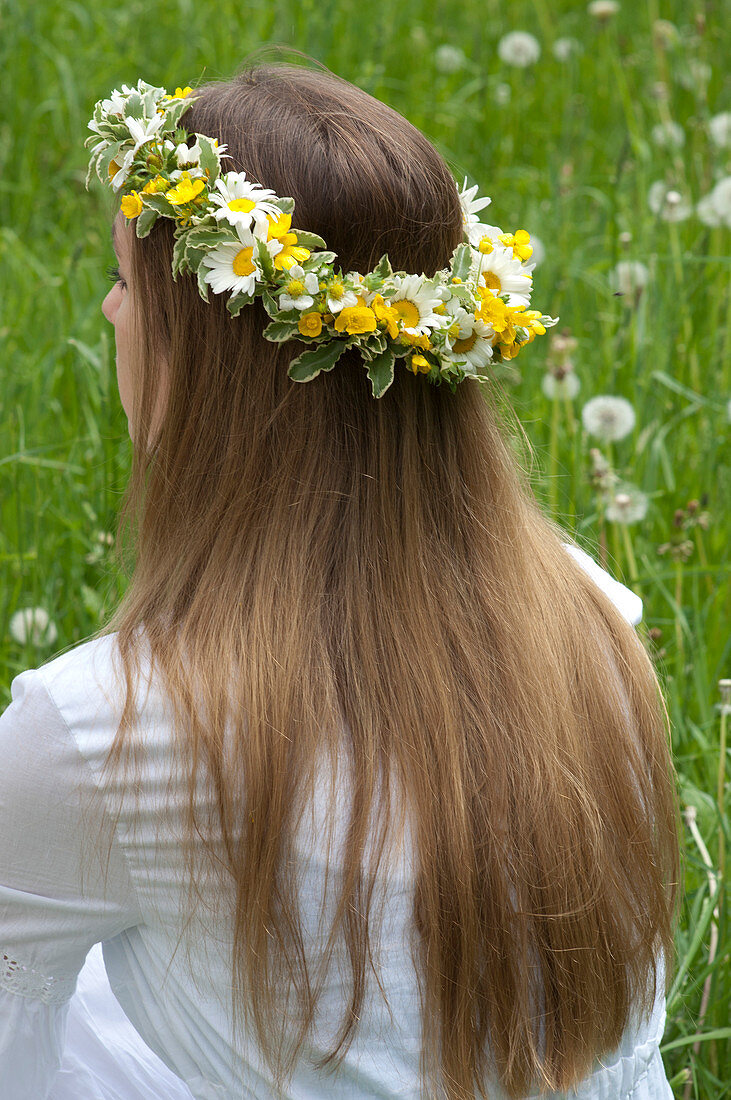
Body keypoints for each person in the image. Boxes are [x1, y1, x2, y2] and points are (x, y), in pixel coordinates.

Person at [0, 61, 680, 1100]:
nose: (108, 311)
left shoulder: (108, 726)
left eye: (130, 285)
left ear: (220, 364)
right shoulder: (589, 617)